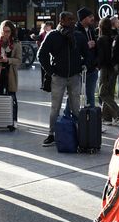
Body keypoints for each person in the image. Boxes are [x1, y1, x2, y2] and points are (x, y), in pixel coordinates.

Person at [37, 11, 87, 147]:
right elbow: (41, 54)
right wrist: (51, 71)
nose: (72, 21)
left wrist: (83, 65)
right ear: (61, 21)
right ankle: (51, 134)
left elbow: (87, 53)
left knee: (76, 107)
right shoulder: (53, 35)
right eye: (69, 19)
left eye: (73, 19)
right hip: (58, 76)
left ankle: (79, 133)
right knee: (55, 107)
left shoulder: (78, 36)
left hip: (74, 76)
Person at [0, 20, 22, 121]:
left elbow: (19, 60)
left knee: (12, 97)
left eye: (7, 31)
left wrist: (8, 60)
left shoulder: (16, 44)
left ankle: (13, 120)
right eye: (3, 31)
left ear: (12, 31)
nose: (5, 34)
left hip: (10, 73)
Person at [96, 16, 119, 126]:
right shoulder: (115, 36)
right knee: (109, 92)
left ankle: (118, 112)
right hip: (114, 67)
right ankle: (107, 118)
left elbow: (101, 56)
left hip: (106, 68)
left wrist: (98, 65)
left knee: (103, 93)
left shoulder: (101, 39)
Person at [74, 7, 98, 108]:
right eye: (90, 17)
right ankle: (72, 115)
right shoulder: (75, 31)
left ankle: (91, 118)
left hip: (92, 68)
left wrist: (97, 65)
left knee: (91, 95)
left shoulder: (91, 30)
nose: (92, 18)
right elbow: (73, 49)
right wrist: (86, 45)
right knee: (74, 94)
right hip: (79, 68)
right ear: (83, 18)